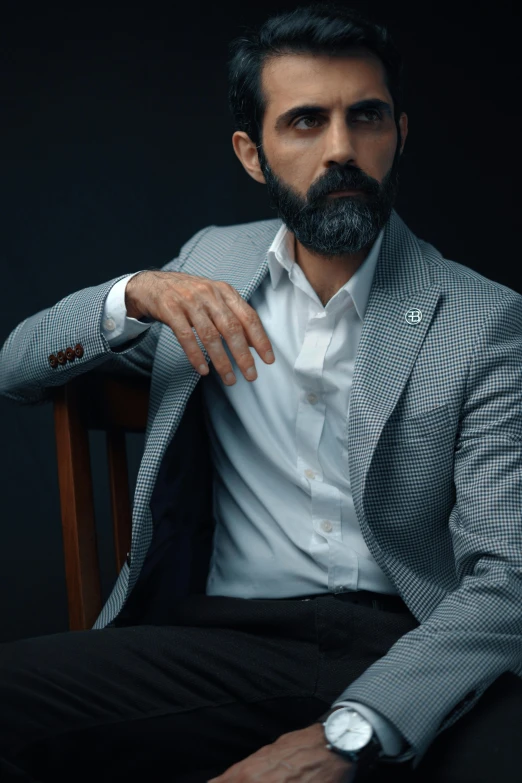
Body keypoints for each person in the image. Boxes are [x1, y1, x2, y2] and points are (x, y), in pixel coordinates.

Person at [0, 2, 521, 782]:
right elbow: (17, 368)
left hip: (410, 643)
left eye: (366, 117)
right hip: (221, 646)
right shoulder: (210, 264)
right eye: (306, 122)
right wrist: (131, 294)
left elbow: (509, 577)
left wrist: (350, 731)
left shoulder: (484, 319)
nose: (342, 148)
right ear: (253, 153)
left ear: (400, 135)